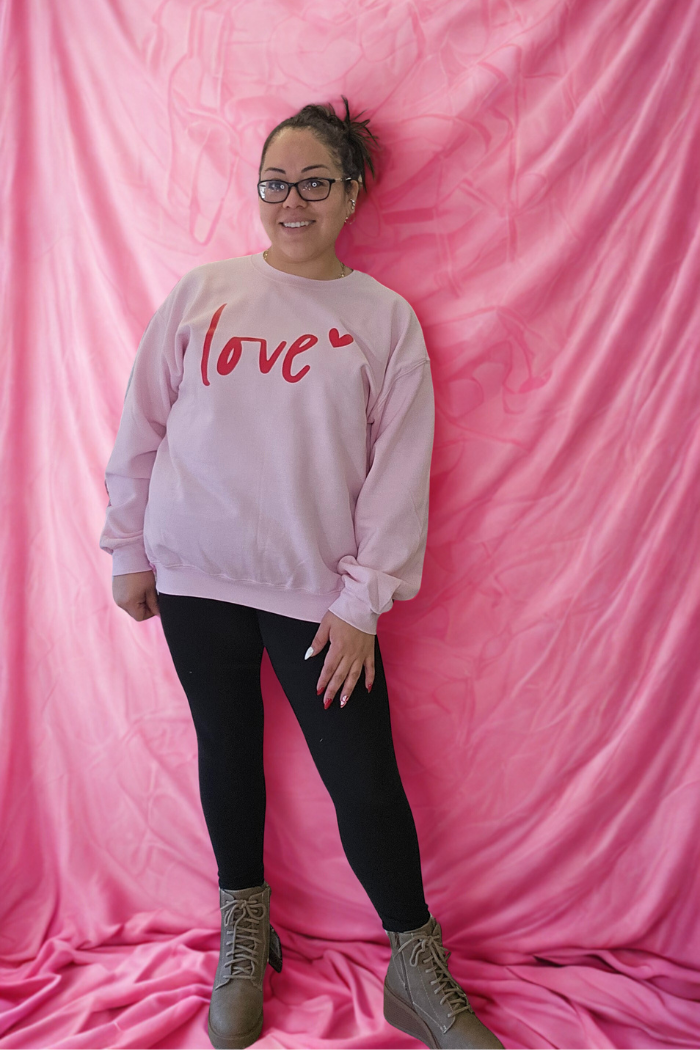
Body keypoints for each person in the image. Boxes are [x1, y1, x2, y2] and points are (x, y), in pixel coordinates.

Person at [99, 96, 504, 1050]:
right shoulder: (206, 292)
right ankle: (245, 927)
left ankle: (414, 962)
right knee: (227, 755)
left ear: (351, 191)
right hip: (195, 575)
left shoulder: (383, 319)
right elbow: (141, 427)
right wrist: (128, 549)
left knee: (363, 778)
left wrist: (363, 601)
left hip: (320, 603)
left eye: (314, 182)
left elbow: (398, 473)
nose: (291, 200)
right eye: (275, 182)